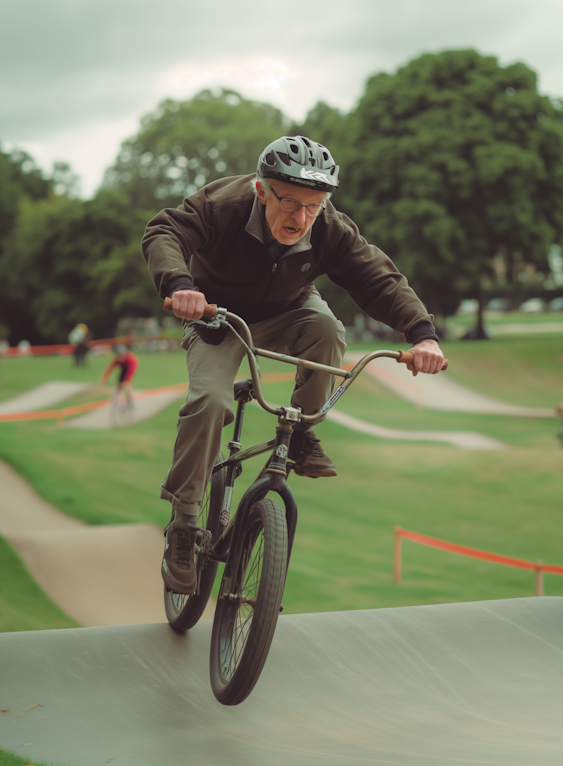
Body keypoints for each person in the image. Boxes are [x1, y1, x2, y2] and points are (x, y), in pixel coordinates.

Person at [142, 134, 446, 595]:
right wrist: (182, 284)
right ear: (261, 190)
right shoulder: (223, 205)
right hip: (217, 318)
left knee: (328, 329)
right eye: (289, 202)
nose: (300, 218)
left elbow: (378, 278)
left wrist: (422, 333)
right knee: (208, 401)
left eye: (313, 206)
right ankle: (184, 526)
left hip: (290, 309)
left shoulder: (328, 227)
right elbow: (163, 231)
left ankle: (300, 432)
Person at [99, 345, 139, 415]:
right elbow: (109, 369)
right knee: (118, 385)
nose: (119, 358)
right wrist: (104, 379)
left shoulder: (130, 360)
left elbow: (129, 374)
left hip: (131, 367)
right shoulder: (116, 360)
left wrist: (126, 382)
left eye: (121, 356)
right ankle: (120, 399)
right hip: (123, 369)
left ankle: (130, 398)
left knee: (126, 383)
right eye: (118, 356)